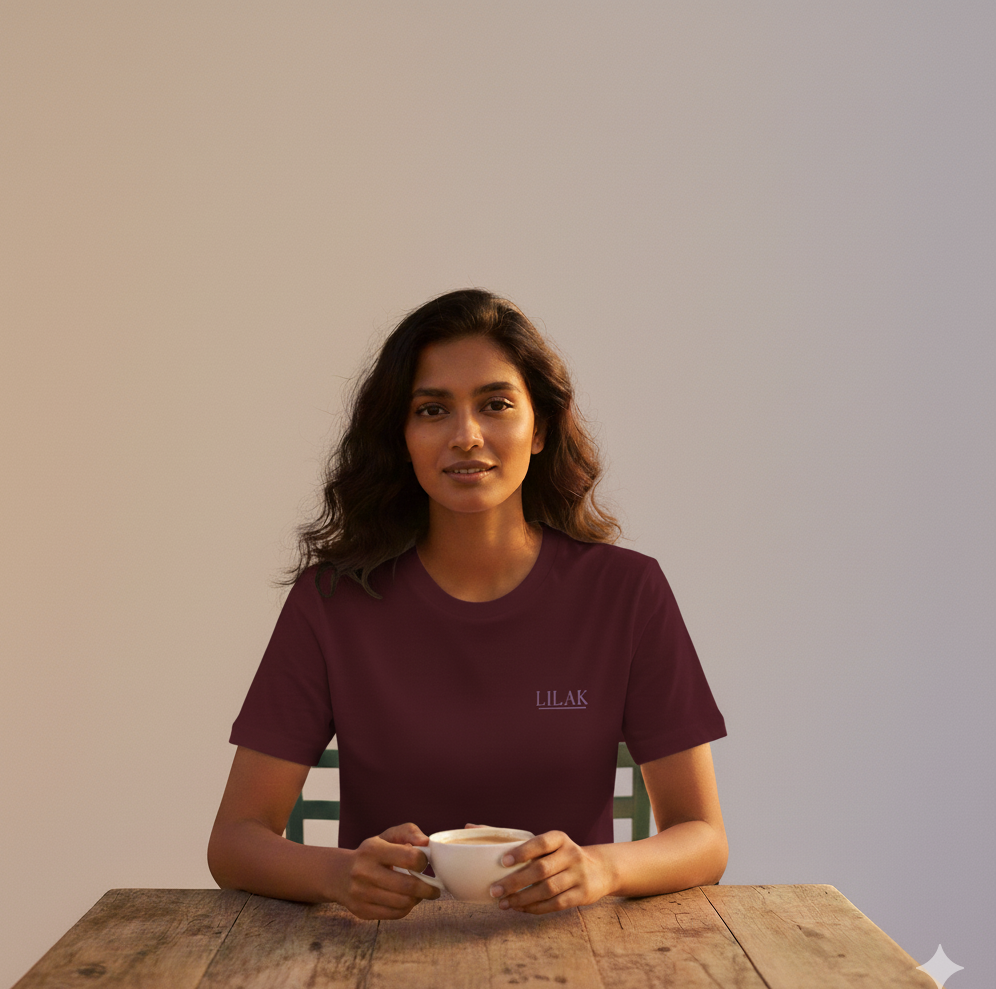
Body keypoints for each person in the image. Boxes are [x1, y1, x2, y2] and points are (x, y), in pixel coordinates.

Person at [207, 288, 728, 920]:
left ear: (540, 429)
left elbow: (702, 835)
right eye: (432, 410)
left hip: (576, 956)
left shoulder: (627, 593)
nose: (466, 436)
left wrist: (601, 868)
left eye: (496, 404)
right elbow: (234, 840)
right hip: (373, 959)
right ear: (401, 436)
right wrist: (339, 874)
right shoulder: (330, 602)